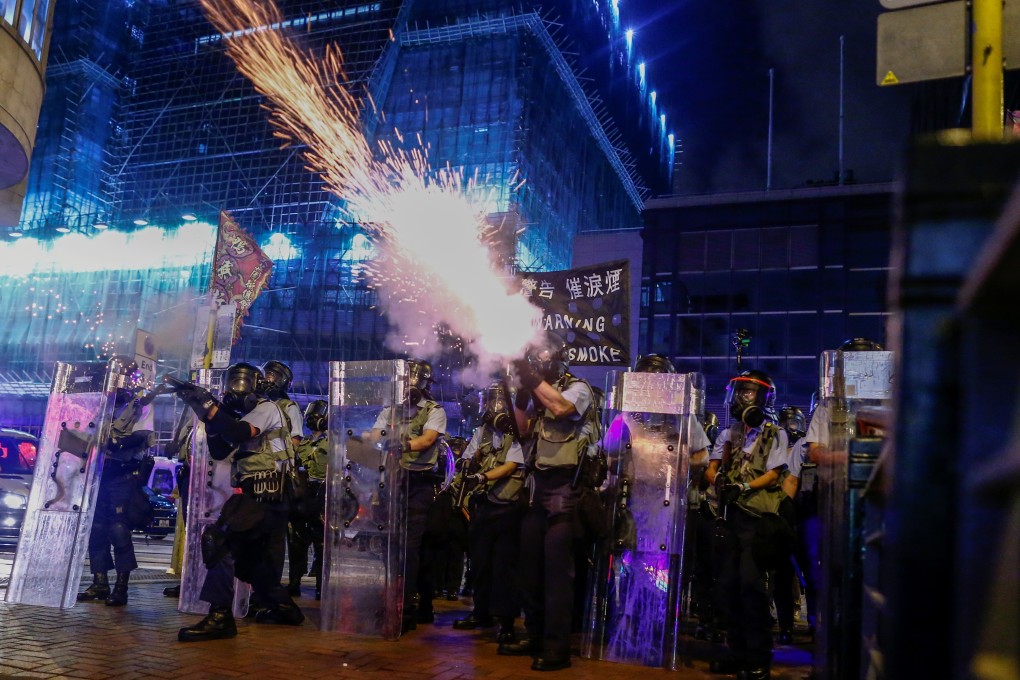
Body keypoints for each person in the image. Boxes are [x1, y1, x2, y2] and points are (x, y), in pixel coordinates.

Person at [173, 362, 303, 642]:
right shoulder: (249, 415)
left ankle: (220, 618)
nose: (237, 391)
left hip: (266, 491)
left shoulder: (267, 408)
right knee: (251, 564)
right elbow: (221, 449)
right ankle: (284, 608)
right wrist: (204, 413)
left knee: (219, 541)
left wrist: (210, 406)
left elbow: (237, 434)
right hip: (264, 495)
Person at [499, 337, 598, 672]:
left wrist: (531, 381)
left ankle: (557, 647)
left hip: (566, 489)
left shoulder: (579, 388)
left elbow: (562, 408)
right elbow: (523, 430)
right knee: (530, 568)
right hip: (536, 487)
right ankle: (534, 634)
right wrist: (519, 393)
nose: (537, 366)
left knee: (558, 573)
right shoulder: (539, 390)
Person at [705, 370, 790, 680]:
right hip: (730, 520)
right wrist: (720, 480)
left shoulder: (775, 433)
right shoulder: (729, 434)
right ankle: (735, 653)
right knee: (726, 588)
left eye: (749, 392)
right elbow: (711, 469)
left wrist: (742, 488)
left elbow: (773, 474)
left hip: (756, 521)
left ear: (763, 396)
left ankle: (758, 658)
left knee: (751, 588)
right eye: (739, 392)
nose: (742, 398)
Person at [364, 359, 447, 634]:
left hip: (418, 485)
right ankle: (389, 602)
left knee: (410, 548)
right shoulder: (392, 410)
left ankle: (406, 607)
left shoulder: (435, 411)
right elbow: (376, 434)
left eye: (416, 377)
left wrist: (401, 443)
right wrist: (382, 438)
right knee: (390, 545)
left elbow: (427, 440)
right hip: (392, 482)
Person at [77, 357, 158, 607]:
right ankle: (100, 582)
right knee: (97, 528)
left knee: (119, 529)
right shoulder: (103, 403)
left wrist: (115, 443)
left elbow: (141, 436)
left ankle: (121, 587)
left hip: (125, 474)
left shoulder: (141, 404)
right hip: (100, 474)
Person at [452, 381, 527, 645]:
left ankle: (506, 622)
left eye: (498, 400)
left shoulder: (517, 432)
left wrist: (482, 476)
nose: (492, 407)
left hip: (508, 507)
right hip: (483, 506)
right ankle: (480, 612)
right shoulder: (483, 430)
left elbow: (510, 466)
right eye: (489, 400)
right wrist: (468, 462)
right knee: (480, 564)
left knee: (504, 567)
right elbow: (469, 455)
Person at [773, 405, 810, 645]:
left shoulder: (804, 447)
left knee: (807, 574)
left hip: (804, 515)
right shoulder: (775, 447)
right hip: (779, 515)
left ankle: (814, 624)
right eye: (787, 423)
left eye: (794, 423)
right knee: (782, 575)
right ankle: (785, 624)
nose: (791, 427)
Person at [287, 399, 329, 599]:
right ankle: (294, 583)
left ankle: (322, 587)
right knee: (296, 540)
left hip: (323, 493)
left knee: (321, 543)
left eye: (319, 412)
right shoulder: (302, 443)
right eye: (313, 411)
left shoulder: (335, 443)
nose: (314, 416)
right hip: (302, 494)